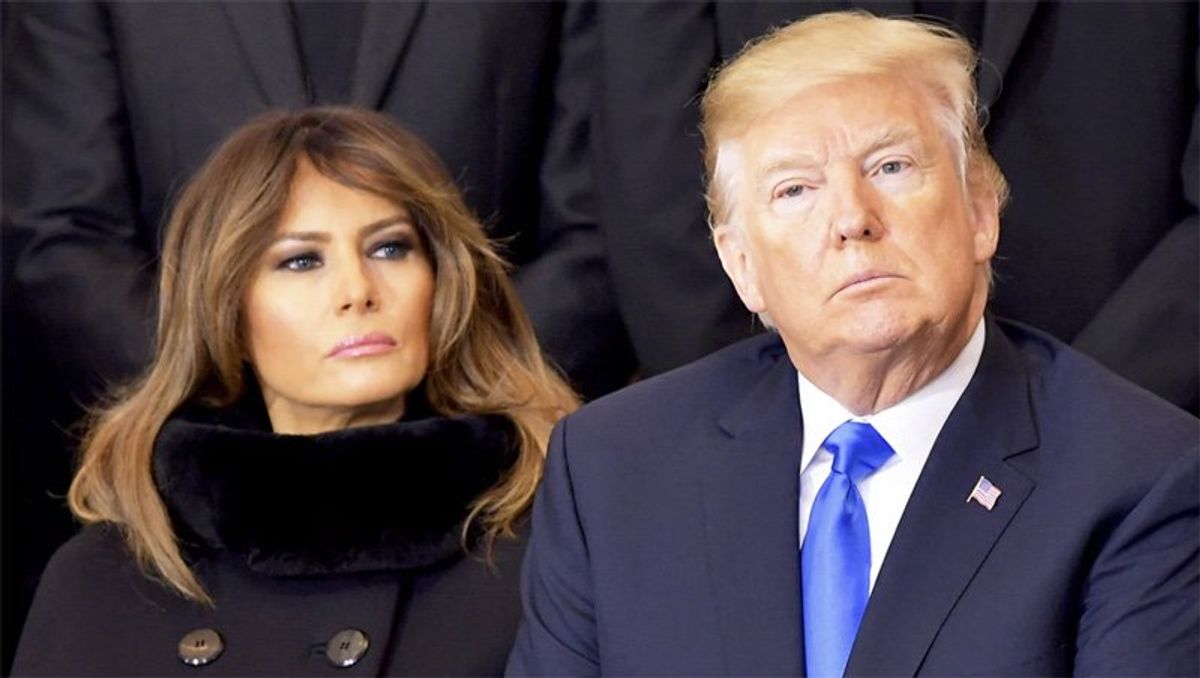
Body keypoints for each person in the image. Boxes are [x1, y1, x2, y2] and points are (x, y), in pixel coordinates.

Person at [508, 12, 1199, 676]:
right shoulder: (612, 468)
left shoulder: (1139, 476)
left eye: (891, 166)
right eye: (795, 189)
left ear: (981, 212)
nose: (851, 218)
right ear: (741, 264)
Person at [13, 107, 577, 675]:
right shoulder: (104, 579)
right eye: (301, 260)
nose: (357, 290)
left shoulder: (556, 542)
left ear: (442, 279)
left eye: (389, 248)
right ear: (227, 313)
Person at [590, 1, 1198, 413]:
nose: (855, 218)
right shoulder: (609, 464)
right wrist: (760, 415)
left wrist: (1085, 418)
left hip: (1142, 400)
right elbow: (651, 152)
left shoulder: (1137, 455)